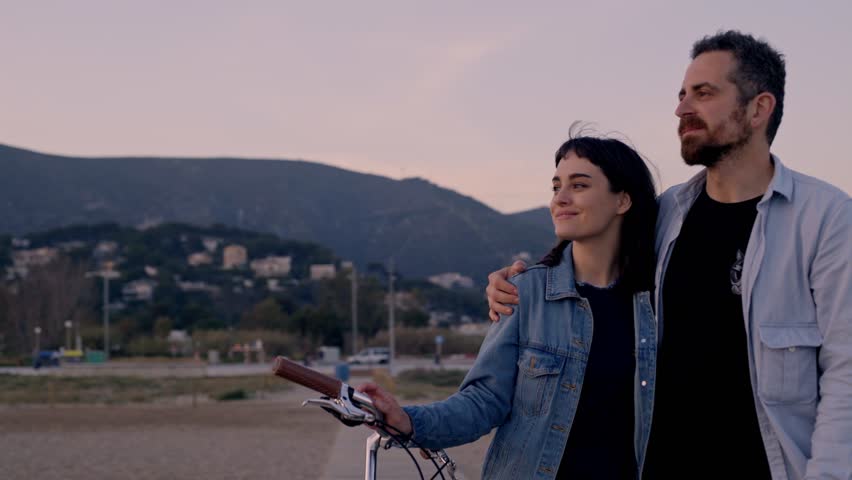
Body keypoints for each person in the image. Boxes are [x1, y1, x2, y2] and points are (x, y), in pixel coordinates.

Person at [486, 31, 851, 479]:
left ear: (759, 108)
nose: (681, 109)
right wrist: (517, 280)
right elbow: (587, 262)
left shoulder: (826, 218)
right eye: (681, 95)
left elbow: (846, 372)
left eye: (704, 93)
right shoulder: (665, 214)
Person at [359, 129, 659, 479]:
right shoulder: (524, 292)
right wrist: (407, 421)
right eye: (555, 186)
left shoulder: (657, 301)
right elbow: (484, 401)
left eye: (578, 185)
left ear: (622, 201)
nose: (560, 198)